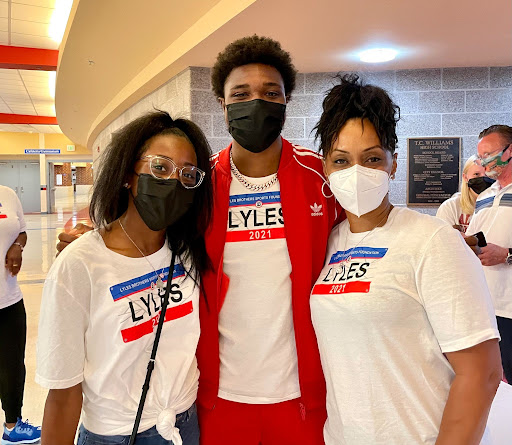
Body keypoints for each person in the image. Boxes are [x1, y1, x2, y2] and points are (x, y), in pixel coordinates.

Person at [310, 74, 502, 445]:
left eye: (371, 158)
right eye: (341, 160)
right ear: (325, 168)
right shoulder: (329, 243)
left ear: (393, 164)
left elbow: (482, 374)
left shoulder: (432, 241)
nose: (356, 173)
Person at [36, 111, 213, 445]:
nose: (173, 182)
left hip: (184, 426)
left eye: (187, 174)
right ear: (128, 174)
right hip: (115, 435)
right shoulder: (80, 265)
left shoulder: (190, 253)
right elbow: (63, 396)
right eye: (160, 167)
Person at [196, 35, 338, 445]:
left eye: (270, 92)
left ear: (286, 100)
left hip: (304, 393)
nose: (255, 102)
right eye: (240, 94)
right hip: (219, 394)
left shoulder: (321, 177)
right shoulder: (200, 186)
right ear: (222, 105)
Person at [466, 124, 512, 384]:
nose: (483, 162)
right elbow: (478, 238)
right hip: (486, 307)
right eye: (480, 156)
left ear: (509, 151)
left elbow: (502, 251)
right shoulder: (484, 196)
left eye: (489, 154)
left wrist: (506, 255)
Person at [0, 185, 41, 445]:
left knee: (12, 366)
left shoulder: (7, 194)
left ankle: (12, 426)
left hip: (8, 298)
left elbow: (22, 230)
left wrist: (17, 245)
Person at [436, 155, 489, 233]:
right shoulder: (450, 207)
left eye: (487, 174)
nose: (483, 179)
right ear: (465, 177)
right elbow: (443, 240)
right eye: (476, 174)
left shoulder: (501, 205)